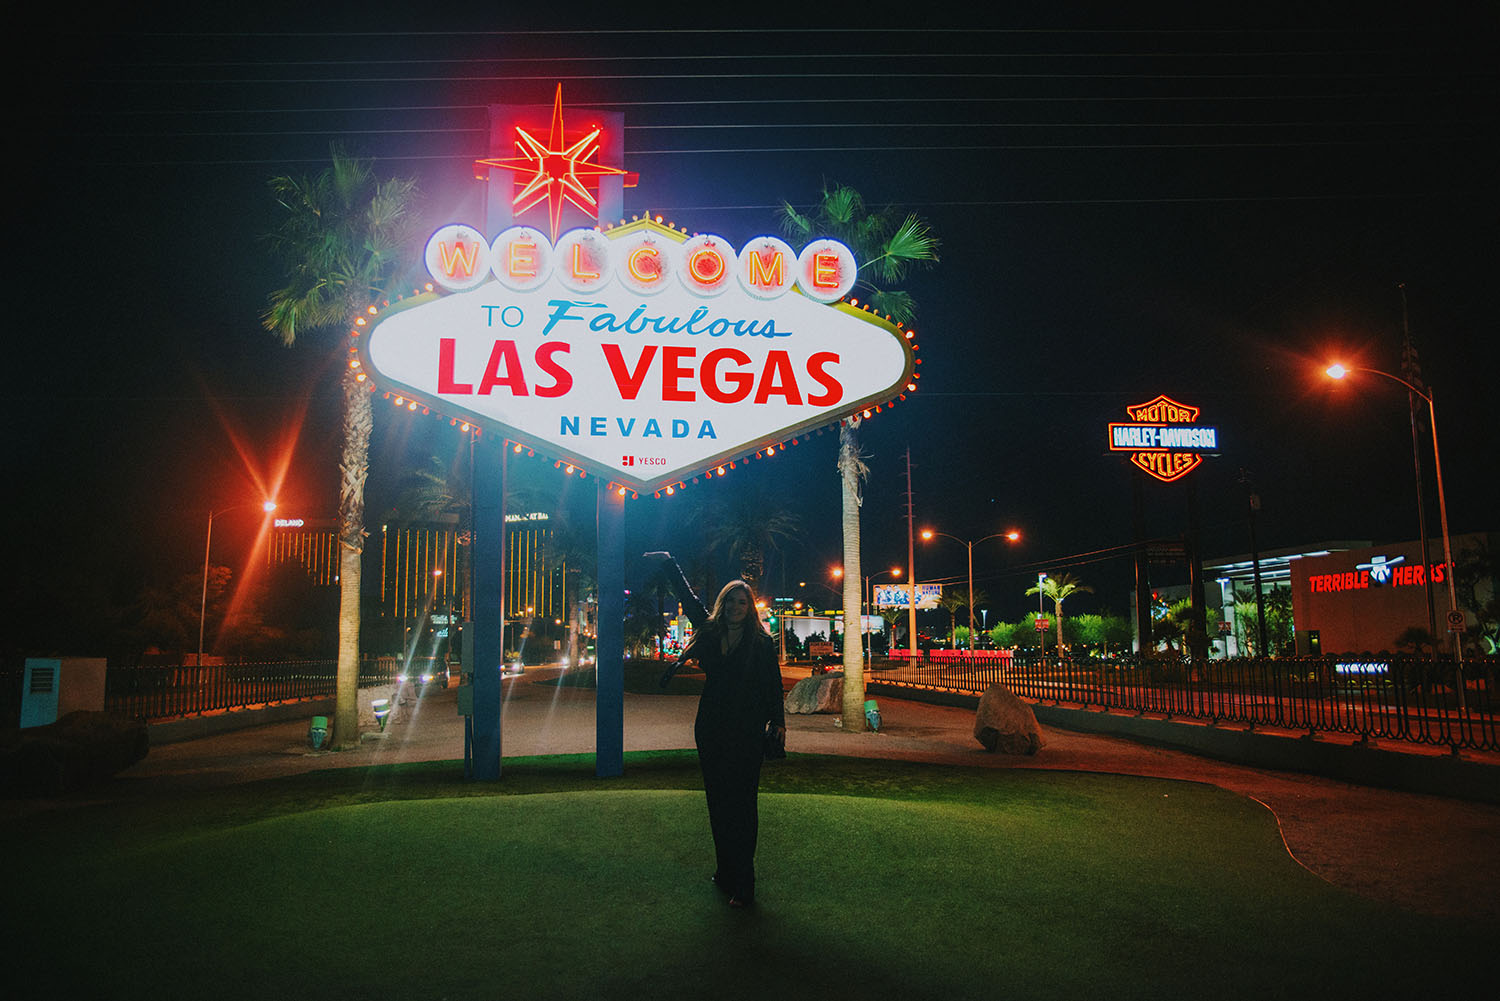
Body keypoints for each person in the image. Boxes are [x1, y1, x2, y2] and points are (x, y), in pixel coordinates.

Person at [647, 552, 786, 908]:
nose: (737, 606)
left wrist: (779, 722)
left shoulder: (761, 642)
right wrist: (668, 562)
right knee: (718, 803)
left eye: (743, 602)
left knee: (743, 805)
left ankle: (745, 880)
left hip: (746, 730)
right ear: (723, 604)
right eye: (732, 601)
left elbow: (773, 685)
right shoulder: (709, 632)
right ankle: (726, 871)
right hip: (710, 727)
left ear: (750, 607)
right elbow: (689, 597)